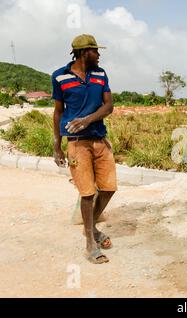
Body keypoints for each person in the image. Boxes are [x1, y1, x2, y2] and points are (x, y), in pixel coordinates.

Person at [52, 34, 116, 264]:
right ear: (83, 53)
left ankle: (91, 227)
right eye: (95, 51)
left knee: (109, 189)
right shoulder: (59, 76)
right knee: (87, 194)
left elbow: (108, 106)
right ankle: (90, 243)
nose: (99, 54)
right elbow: (58, 111)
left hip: (100, 140)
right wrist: (57, 146)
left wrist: (88, 119)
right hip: (77, 144)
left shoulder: (100, 74)